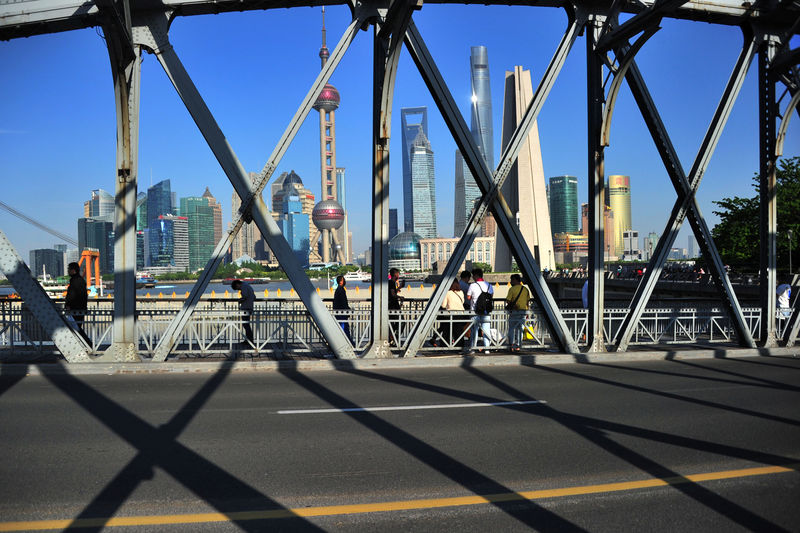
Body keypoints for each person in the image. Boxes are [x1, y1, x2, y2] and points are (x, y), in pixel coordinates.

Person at [465, 268, 494, 354]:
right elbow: (491, 296)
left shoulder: (473, 285)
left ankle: (473, 348)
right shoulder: (489, 285)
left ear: (476, 275)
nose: (472, 277)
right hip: (486, 311)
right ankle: (487, 349)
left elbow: (468, 297)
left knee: (474, 331)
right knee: (486, 330)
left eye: (473, 275)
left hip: (475, 311)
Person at [65, 262, 90, 344]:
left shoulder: (75, 281)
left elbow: (72, 295)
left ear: (73, 270)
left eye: (69, 269)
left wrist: (68, 305)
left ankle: (88, 344)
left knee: (76, 329)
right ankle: (88, 344)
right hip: (80, 308)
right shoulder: (80, 280)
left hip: (75, 309)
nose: (68, 271)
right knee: (77, 328)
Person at [436, 279, 465, 346]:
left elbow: (443, 305)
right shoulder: (461, 292)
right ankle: (460, 347)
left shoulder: (447, 293)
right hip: (461, 314)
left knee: (447, 331)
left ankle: (444, 345)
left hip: (450, 315)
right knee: (459, 332)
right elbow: (462, 302)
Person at [505, 274, 530, 352]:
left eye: (511, 280)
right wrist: (527, 312)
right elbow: (527, 302)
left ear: (515, 280)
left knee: (512, 329)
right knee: (520, 329)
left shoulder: (512, 289)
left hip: (514, 312)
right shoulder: (525, 289)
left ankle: (511, 345)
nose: (511, 282)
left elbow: (508, 300)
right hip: (523, 312)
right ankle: (518, 345)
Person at [231, 279, 255, 345]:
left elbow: (245, 296)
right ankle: (249, 340)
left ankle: (249, 340)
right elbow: (254, 296)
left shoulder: (244, 287)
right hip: (249, 307)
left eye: (237, 288)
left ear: (237, 284)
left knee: (246, 324)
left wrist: (240, 301)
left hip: (246, 308)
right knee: (246, 324)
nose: (238, 290)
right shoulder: (247, 285)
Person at [333, 275, 353, 344]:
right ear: (341, 281)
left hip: (339, 312)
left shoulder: (338, 289)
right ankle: (349, 343)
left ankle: (347, 342)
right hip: (342, 312)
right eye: (343, 280)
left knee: (342, 327)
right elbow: (343, 301)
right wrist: (347, 309)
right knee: (344, 328)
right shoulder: (341, 290)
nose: (344, 281)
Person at [388, 268, 403, 345]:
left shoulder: (390, 282)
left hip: (391, 306)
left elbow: (392, 292)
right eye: (398, 274)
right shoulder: (391, 283)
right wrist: (400, 297)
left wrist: (399, 288)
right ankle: (394, 338)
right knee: (401, 321)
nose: (398, 276)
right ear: (396, 275)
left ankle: (391, 337)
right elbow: (393, 294)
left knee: (393, 323)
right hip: (393, 306)